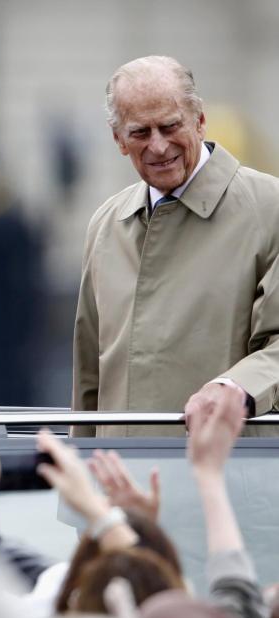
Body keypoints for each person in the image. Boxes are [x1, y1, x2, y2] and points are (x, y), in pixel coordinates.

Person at [71, 55, 279, 436]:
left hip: (230, 479)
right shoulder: (105, 224)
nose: (159, 146)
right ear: (117, 139)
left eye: (170, 126)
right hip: (121, 483)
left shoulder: (271, 208)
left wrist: (236, 388)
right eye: (139, 133)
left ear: (199, 121)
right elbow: (89, 381)